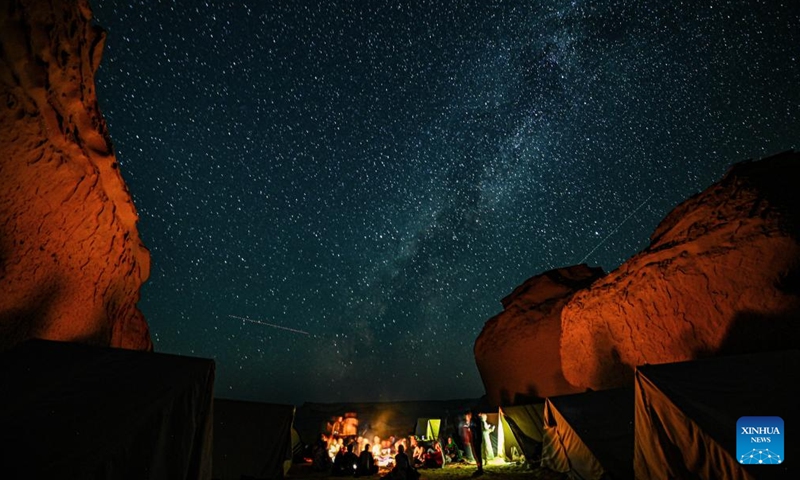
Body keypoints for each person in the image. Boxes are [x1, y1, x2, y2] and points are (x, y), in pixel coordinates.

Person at [469, 410, 484, 476]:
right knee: (479, 455)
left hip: (476, 440)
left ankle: (479, 469)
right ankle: (480, 469)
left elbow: (474, 430)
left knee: (477, 455)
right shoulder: (478, 420)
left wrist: (470, 429)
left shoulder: (474, 420)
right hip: (478, 440)